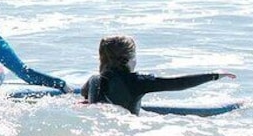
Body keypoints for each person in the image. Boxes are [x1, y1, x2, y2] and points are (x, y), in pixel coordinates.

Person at [80, 35, 236, 115]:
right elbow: (177, 83)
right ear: (129, 59)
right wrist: (214, 75)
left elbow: (84, 94)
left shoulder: (95, 80)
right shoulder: (138, 81)